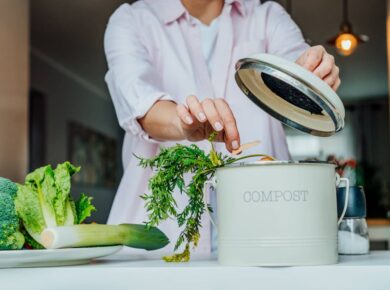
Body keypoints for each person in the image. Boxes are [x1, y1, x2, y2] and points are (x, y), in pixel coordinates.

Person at [104, 0, 340, 257]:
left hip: (266, 239)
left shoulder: (266, 17)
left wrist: (312, 70)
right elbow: (139, 101)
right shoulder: (133, 20)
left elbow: (295, 63)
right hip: (160, 244)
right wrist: (182, 122)